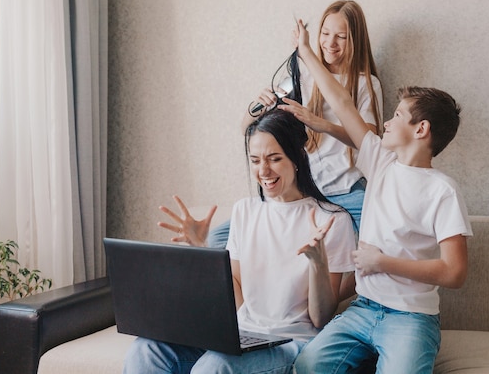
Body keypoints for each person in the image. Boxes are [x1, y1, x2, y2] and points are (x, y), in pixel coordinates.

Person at [291, 19, 473, 374]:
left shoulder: (443, 190)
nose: (386, 122)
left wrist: (382, 262)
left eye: (397, 116)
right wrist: (306, 52)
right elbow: (342, 101)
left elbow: (455, 273)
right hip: (363, 309)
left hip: (411, 318)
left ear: (421, 130)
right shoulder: (379, 162)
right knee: (308, 366)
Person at [122, 109, 357, 374]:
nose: (263, 170)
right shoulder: (245, 210)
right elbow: (239, 298)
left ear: (297, 158)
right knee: (146, 350)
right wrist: (204, 250)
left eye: (274, 159)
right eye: (255, 160)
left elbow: (320, 318)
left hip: (291, 341)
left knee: (213, 367)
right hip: (245, 335)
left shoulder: (332, 220)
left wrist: (318, 262)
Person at [209, 0, 383, 253]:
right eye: (325, 34)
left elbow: (368, 141)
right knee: (217, 239)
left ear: (355, 40)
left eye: (341, 37)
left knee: (382, 235)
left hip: (348, 191)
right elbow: (246, 128)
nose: (330, 43)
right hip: (305, 192)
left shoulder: (366, 84)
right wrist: (255, 107)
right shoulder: (300, 77)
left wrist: (321, 124)